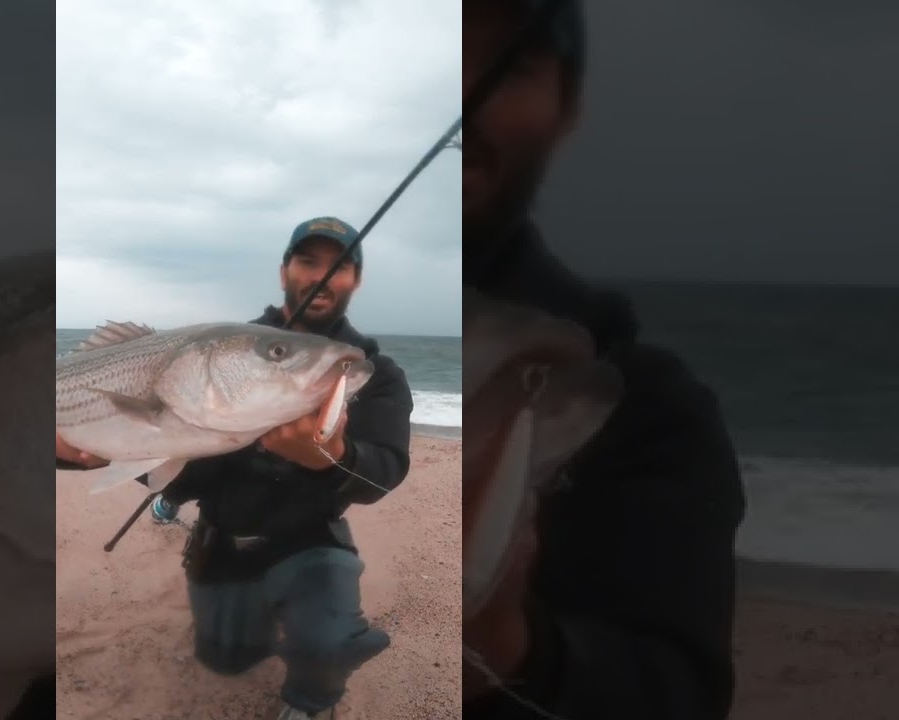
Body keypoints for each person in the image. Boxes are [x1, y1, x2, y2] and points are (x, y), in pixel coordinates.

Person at [462, 1, 747, 718]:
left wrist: (507, 652)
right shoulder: (297, 327)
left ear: (568, 104)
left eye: (508, 62)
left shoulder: (644, 411)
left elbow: (676, 696)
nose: (456, 96)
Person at [57, 217, 415, 720]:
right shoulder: (220, 344)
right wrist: (75, 453)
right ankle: (224, 584)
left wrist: (329, 457)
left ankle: (311, 702)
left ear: (355, 280)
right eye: (307, 260)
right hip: (225, 533)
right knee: (226, 659)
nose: (321, 275)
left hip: (310, 539)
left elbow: (385, 472)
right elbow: (174, 472)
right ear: (284, 270)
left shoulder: (374, 373)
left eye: (339, 265)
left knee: (329, 644)